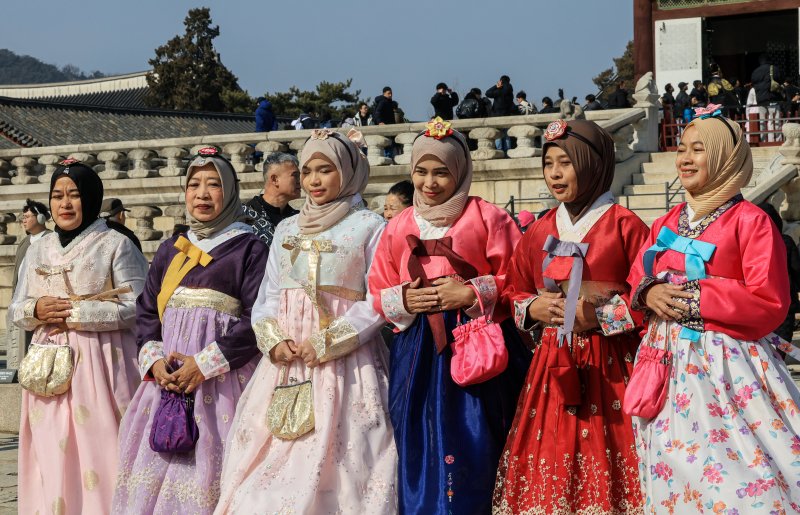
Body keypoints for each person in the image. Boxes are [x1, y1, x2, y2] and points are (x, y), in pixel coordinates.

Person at [627, 106, 800, 512]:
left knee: (740, 470)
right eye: (682, 148)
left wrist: (698, 296)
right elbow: (638, 273)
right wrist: (649, 292)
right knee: (672, 464)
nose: (684, 159)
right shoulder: (666, 221)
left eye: (699, 150)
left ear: (725, 157)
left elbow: (770, 299)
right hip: (666, 363)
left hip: (728, 364)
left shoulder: (751, 220)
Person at [216, 129, 397, 513]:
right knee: (263, 471)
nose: (314, 180)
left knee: (344, 468)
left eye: (326, 170)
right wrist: (272, 339)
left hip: (347, 368)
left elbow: (378, 299)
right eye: (308, 170)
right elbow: (267, 298)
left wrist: (328, 342)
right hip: (285, 365)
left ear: (347, 172)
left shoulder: (369, 226)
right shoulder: (286, 228)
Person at [368, 120, 531, 514]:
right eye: (421, 172)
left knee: (478, 434)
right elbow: (378, 285)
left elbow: (519, 277)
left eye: (441, 172)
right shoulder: (399, 224)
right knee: (415, 432)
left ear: (459, 171)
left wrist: (472, 292)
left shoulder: (488, 217)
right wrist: (405, 298)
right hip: (418, 347)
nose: (430, 182)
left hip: (475, 342)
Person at [492, 119, 648, 514]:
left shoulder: (626, 226)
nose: (555, 174)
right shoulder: (540, 228)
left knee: (613, 450)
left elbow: (647, 298)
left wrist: (599, 317)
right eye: (549, 164)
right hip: (553, 361)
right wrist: (534, 308)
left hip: (613, 364)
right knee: (552, 449)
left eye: (566, 162)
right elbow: (513, 288)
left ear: (592, 164)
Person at [113, 148, 269, 514]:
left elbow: (256, 318)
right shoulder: (171, 250)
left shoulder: (250, 248)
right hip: (165, 383)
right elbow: (147, 310)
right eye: (194, 184)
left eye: (213, 184)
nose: (202, 194)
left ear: (230, 192)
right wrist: (155, 364)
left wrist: (202, 365)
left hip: (222, 383)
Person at [10, 159, 147, 514]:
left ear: (90, 197)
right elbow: (16, 309)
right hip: (46, 370)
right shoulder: (39, 247)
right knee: (50, 454)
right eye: (57, 196)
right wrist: (36, 310)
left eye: (73, 195)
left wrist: (79, 314)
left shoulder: (115, 243)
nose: (65, 204)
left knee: (101, 450)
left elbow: (142, 305)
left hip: (100, 365)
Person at [9, 199, 51, 364]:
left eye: (27, 216)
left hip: (40, 301)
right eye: (23, 217)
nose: (23, 220)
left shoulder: (51, 239)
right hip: (22, 301)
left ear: (40, 218)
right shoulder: (24, 242)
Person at [758, 202, 800, 345]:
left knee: (764, 346)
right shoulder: (785, 241)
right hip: (784, 302)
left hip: (758, 303)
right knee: (781, 346)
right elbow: (796, 269)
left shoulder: (750, 244)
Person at [242, 152, 301, 249]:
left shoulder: (297, 218)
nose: (300, 180)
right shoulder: (244, 215)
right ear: (275, 180)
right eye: (295, 175)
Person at [751, 54, 783, 142]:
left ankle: (763, 139)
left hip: (760, 100)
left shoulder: (755, 71)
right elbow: (780, 79)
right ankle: (775, 140)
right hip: (772, 98)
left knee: (762, 121)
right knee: (774, 121)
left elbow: (753, 83)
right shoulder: (774, 69)